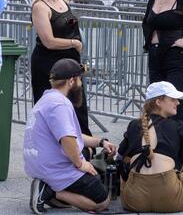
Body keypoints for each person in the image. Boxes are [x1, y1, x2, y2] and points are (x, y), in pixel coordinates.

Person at [25, 59, 118, 214]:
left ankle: (50, 190)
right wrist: (81, 164)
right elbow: (67, 139)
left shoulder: (47, 98)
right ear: (71, 81)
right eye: (80, 79)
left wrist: (101, 142)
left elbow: (73, 135)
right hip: (53, 168)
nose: (81, 84)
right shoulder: (60, 104)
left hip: (39, 164)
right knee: (102, 201)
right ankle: (50, 191)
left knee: (87, 150)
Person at [118, 81, 183, 211]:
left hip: (134, 200)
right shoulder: (178, 126)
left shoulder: (134, 125)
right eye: (173, 99)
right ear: (158, 101)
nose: (178, 103)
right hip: (170, 199)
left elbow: (122, 158)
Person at [29, 0, 91, 136]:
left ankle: (84, 148)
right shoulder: (40, 6)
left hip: (71, 63)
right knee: (53, 108)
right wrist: (73, 43)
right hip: (49, 64)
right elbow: (48, 41)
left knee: (78, 106)